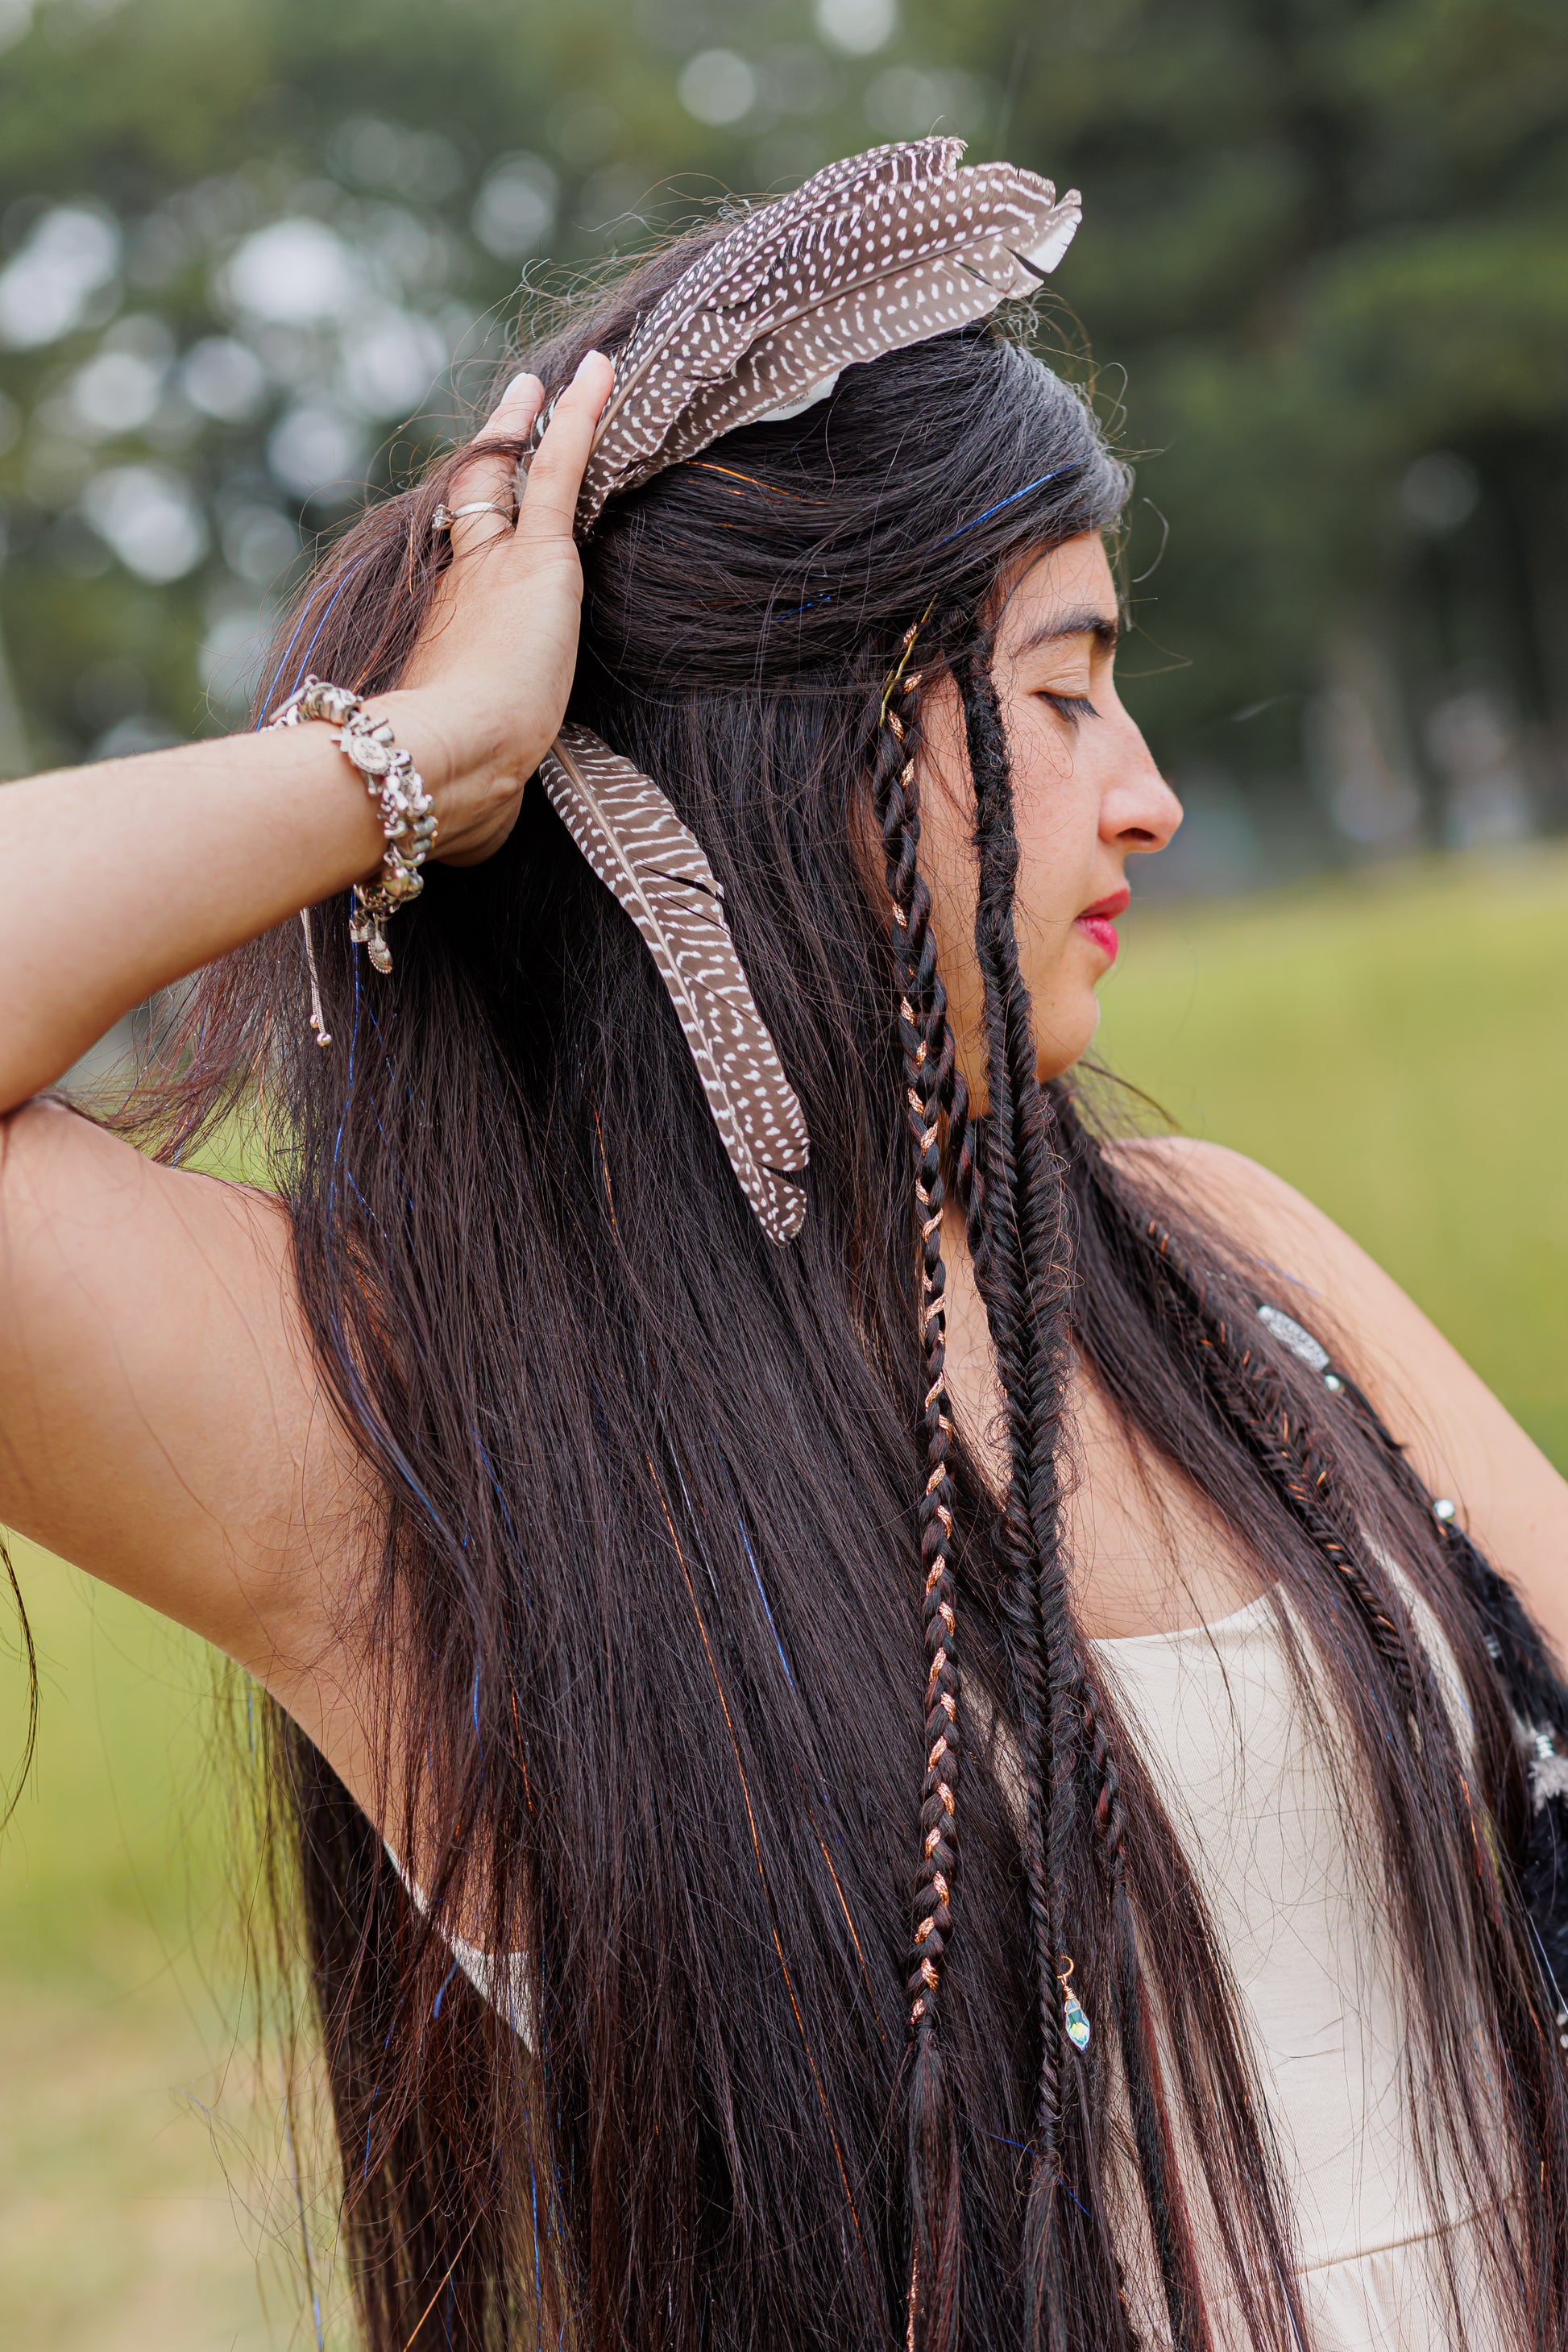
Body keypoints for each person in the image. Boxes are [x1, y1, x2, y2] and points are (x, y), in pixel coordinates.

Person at [3, 144, 1567, 2352]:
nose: (1143, 791)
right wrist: (427, 754)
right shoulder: (416, 1437)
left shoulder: (1227, 1277)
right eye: (1055, 692)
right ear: (791, 751)